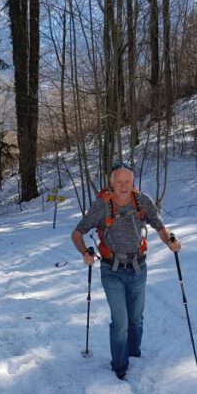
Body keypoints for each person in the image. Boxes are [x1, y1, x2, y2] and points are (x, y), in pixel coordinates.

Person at [71, 162, 180, 380]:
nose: (123, 186)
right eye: (118, 181)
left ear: (133, 182)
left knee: (136, 319)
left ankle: (134, 355)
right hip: (112, 270)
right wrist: (85, 252)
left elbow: (159, 226)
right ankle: (120, 366)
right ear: (111, 183)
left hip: (139, 268)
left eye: (127, 181)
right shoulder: (102, 206)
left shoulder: (142, 201)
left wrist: (170, 240)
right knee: (120, 321)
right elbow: (77, 232)